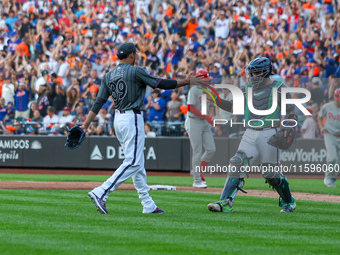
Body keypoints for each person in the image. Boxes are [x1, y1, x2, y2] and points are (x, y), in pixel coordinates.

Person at [83, 42, 205, 214]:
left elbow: (99, 102)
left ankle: (148, 204)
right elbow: (160, 83)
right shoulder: (136, 70)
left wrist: (86, 124)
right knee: (133, 161)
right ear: (132, 55)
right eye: (136, 54)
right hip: (132, 117)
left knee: (138, 163)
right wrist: (185, 81)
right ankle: (102, 191)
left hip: (118, 119)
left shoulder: (108, 75)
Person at [207, 57, 297, 213]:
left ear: (266, 71)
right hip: (249, 131)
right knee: (236, 162)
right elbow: (234, 107)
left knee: (270, 173)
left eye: (257, 72)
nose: (254, 75)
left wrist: (289, 128)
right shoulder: (246, 88)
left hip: (270, 132)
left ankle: (288, 201)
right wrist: (215, 98)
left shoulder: (279, 88)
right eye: (252, 72)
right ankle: (225, 202)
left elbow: (291, 112)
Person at [185, 69, 216, 188]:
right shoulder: (194, 90)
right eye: (206, 79)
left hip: (204, 121)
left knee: (211, 149)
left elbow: (211, 104)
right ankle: (197, 179)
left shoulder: (207, 90)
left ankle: (196, 170)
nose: (208, 81)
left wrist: (211, 116)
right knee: (197, 151)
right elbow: (190, 108)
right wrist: (207, 117)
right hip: (193, 121)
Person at [318, 89, 340, 188]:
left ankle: (332, 179)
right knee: (332, 158)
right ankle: (328, 177)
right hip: (329, 134)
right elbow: (319, 116)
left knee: (338, 160)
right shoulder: (327, 106)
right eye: (337, 98)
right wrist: (321, 127)